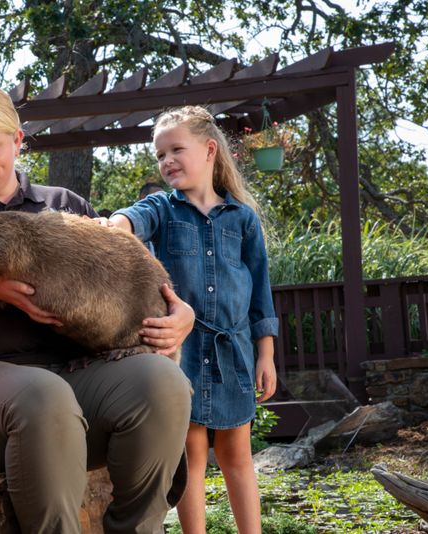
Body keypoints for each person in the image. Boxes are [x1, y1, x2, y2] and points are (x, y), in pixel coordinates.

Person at [0, 81, 195, 534]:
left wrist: (180, 316)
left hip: (73, 375)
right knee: (43, 395)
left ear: (17, 140)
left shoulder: (63, 205)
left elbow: (126, 277)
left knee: (162, 382)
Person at [109, 106, 278, 534]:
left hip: (234, 353)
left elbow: (261, 292)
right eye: (160, 155)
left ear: (208, 150)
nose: (167, 161)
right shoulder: (164, 211)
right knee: (192, 456)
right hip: (182, 354)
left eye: (175, 150)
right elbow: (135, 216)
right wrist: (116, 225)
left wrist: (267, 354)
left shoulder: (242, 219)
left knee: (238, 456)